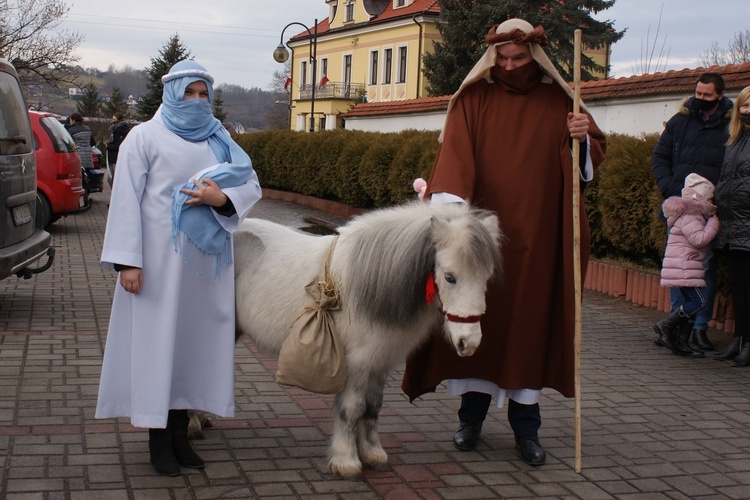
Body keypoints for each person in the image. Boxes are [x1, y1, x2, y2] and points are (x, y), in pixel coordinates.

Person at [401, 19, 606, 466]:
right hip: (482, 238)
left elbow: (587, 162)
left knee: (526, 328)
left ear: (535, 56)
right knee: (478, 323)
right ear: (493, 56)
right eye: (504, 58)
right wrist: (451, 217)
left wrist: (581, 138)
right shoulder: (473, 98)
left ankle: (526, 430)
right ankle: (469, 420)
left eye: (520, 58)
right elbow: (454, 156)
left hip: (538, 237)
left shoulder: (560, 100)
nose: (511, 66)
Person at [95, 60, 262, 476]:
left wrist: (219, 199)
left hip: (205, 269)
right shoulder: (144, 137)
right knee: (158, 347)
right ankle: (158, 441)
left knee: (190, 346)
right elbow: (126, 201)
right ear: (172, 92)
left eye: (204, 93)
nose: (197, 101)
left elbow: (250, 185)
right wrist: (127, 262)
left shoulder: (219, 139)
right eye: (189, 92)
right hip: (156, 267)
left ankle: (178, 432)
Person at [652, 73, 733, 351]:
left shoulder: (730, 124)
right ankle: (675, 327)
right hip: (678, 206)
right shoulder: (680, 120)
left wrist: (719, 200)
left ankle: (698, 328)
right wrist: (669, 188)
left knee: (704, 268)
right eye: (698, 93)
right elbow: (660, 156)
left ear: (720, 95)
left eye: (707, 95)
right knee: (678, 268)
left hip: (709, 210)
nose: (700, 99)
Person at [653, 174, 719, 358]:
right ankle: (665, 325)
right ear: (702, 199)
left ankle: (682, 343)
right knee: (698, 302)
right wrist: (714, 223)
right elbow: (698, 239)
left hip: (685, 266)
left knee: (692, 304)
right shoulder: (692, 216)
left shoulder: (687, 214)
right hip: (684, 267)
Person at [713, 85, 750, 367]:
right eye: (745, 106)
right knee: (739, 287)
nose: (748, 110)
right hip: (734, 226)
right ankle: (739, 338)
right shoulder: (735, 139)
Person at [105, 112, 130, 188]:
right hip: (113, 157)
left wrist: (108, 146)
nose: (113, 121)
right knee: (112, 178)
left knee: (115, 178)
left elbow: (119, 145)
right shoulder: (115, 129)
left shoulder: (121, 130)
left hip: (116, 157)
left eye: (114, 119)